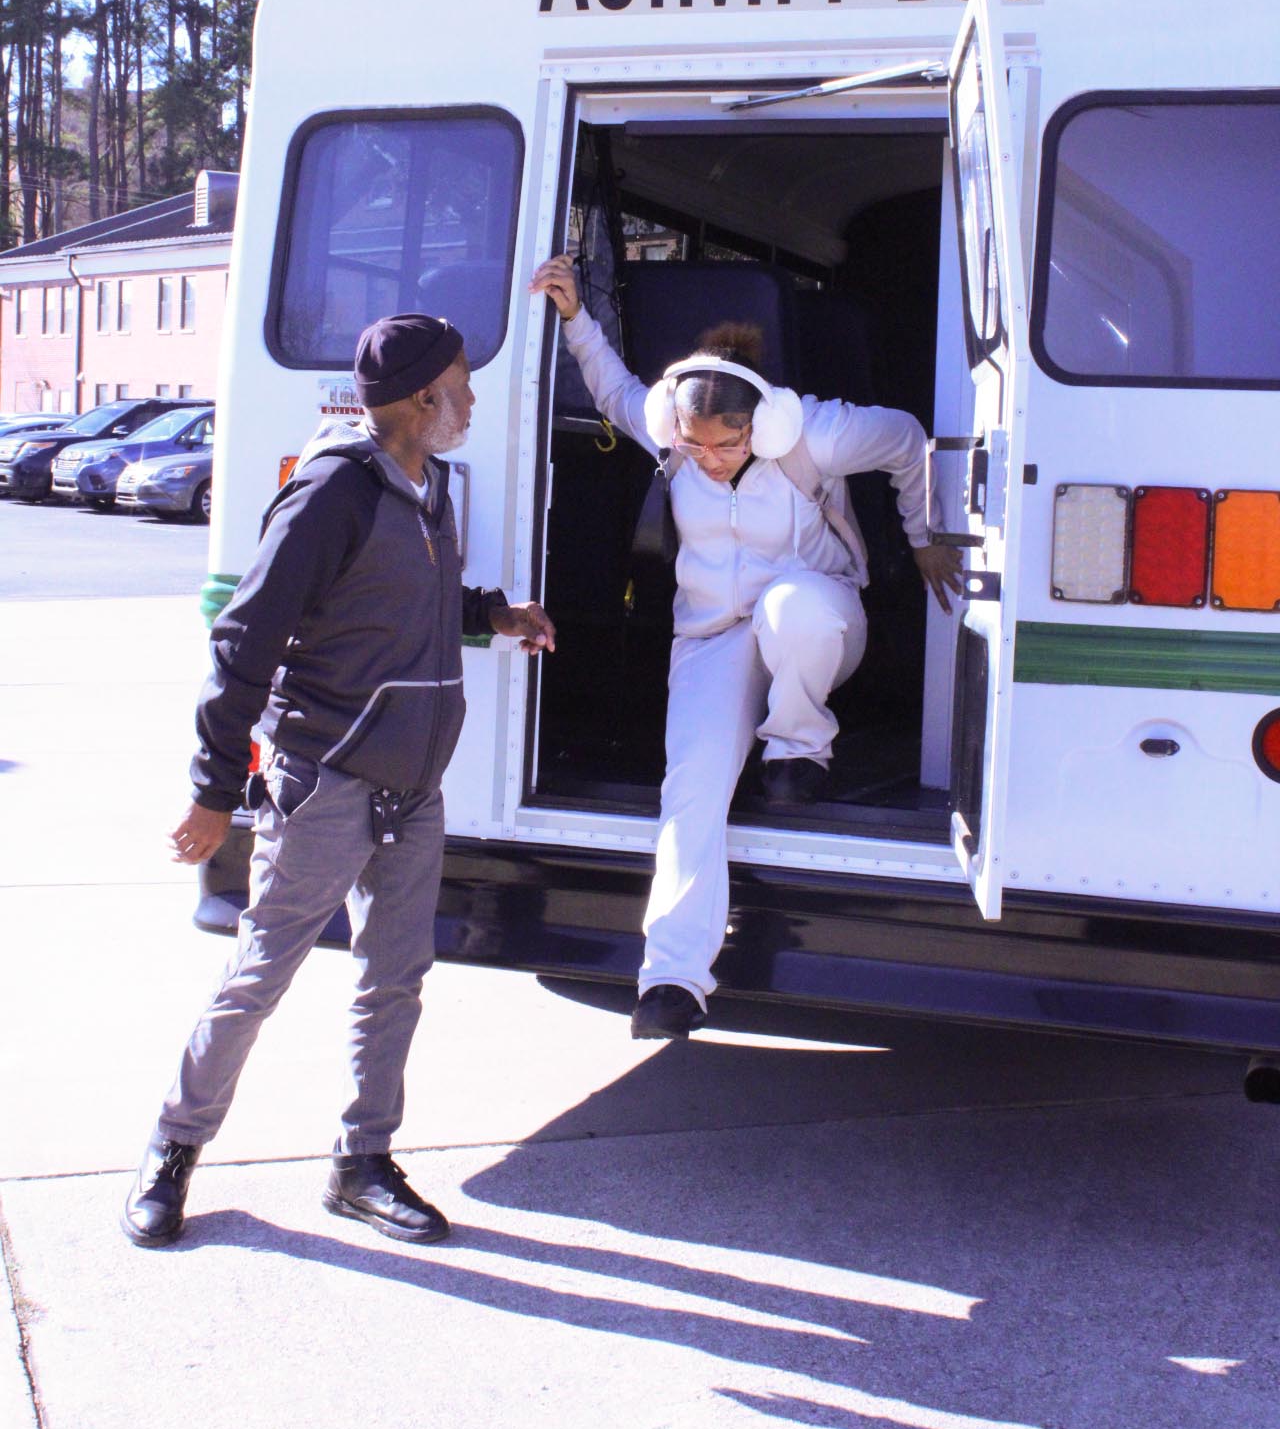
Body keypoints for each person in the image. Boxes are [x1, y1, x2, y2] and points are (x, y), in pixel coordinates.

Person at [122, 313, 555, 1249]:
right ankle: (173, 1148)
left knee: (393, 981)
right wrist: (212, 790)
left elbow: (410, 602)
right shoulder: (332, 492)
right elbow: (244, 640)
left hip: (414, 786)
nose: (474, 398)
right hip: (327, 781)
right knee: (261, 972)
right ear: (420, 399)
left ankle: (362, 1164)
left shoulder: (426, 481)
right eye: (462, 384)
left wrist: (496, 614)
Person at [530, 254, 961, 1041]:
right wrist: (573, 318)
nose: (706, 459)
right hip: (713, 636)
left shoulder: (812, 434)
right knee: (690, 790)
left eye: (722, 447)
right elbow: (615, 390)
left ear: (756, 428)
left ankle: (800, 747)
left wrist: (923, 535)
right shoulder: (676, 436)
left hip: (817, 616)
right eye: (693, 447)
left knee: (793, 608)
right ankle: (671, 979)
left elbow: (905, 438)